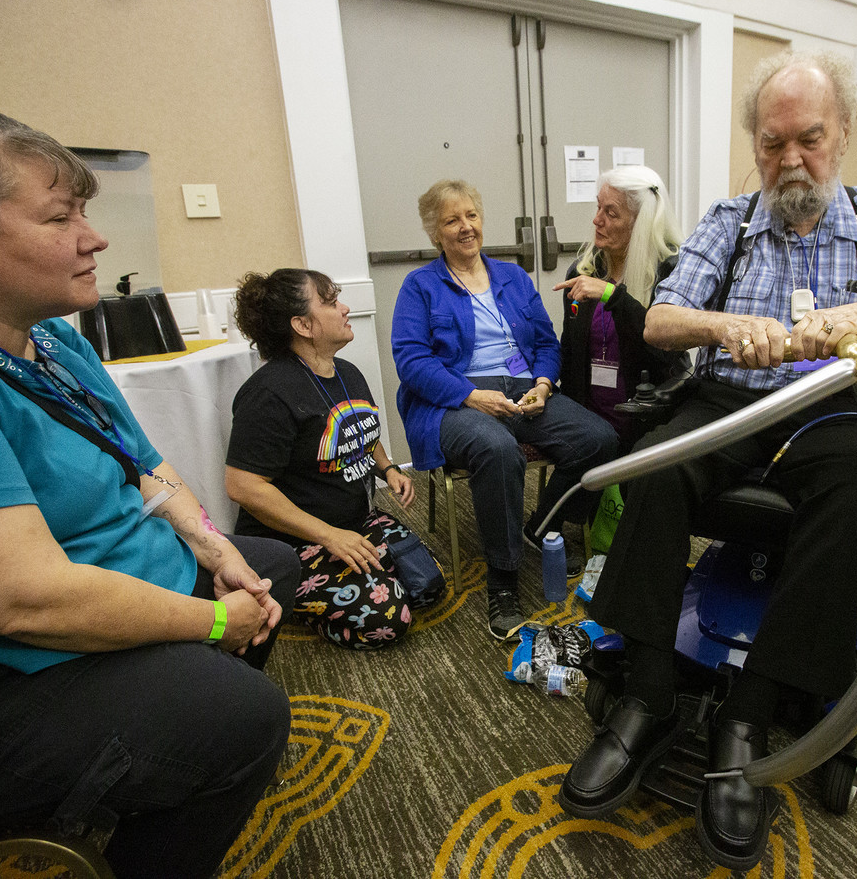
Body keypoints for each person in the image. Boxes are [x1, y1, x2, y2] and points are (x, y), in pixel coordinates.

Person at [558, 52, 857, 870]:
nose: (791, 160)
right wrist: (723, 328)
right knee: (651, 466)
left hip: (835, 408)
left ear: (844, 135)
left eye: (810, 139)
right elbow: (660, 323)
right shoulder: (728, 221)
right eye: (772, 143)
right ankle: (649, 696)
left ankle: (747, 719)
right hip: (730, 399)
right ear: (755, 146)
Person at [0, 97, 299, 879]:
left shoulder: (49, 341)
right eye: (59, 217)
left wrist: (213, 545)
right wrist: (213, 622)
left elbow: (147, 465)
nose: (94, 235)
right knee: (242, 714)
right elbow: (22, 598)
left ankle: (158, 770)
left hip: (89, 590)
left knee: (269, 562)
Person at [392, 179, 618, 641]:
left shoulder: (513, 278)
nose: (465, 227)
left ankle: (544, 526)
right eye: (452, 220)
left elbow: (542, 342)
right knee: (497, 449)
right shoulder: (420, 286)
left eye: (471, 215)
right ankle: (502, 582)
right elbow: (412, 362)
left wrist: (542, 383)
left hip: (521, 388)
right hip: (453, 398)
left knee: (601, 439)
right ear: (436, 232)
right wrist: (471, 397)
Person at [226, 268, 430, 650]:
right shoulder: (268, 393)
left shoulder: (347, 373)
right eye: (332, 302)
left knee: (427, 583)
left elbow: (361, 430)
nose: (345, 308)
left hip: (353, 522)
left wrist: (387, 469)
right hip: (292, 543)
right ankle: (287, 598)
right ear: (303, 324)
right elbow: (243, 486)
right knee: (388, 619)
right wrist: (329, 536)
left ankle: (350, 581)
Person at [554, 165, 688, 452]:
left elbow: (665, 355)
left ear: (641, 223)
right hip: (590, 421)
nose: (596, 220)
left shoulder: (671, 273)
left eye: (611, 213)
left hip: (647, 420)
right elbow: (571, 352)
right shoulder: (582, 271)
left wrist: (613, 296)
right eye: (598, 207)